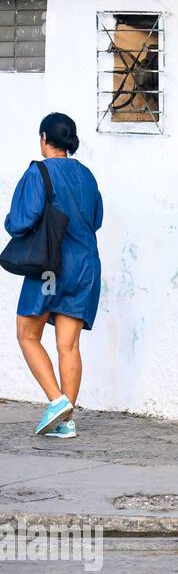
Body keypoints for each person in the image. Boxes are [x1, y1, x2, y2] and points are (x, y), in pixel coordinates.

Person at [5, 113, 102, 438]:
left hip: (52, 265)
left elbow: (21, 221)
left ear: (44, 137)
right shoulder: (87, 176)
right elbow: (96, 218)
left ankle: (57, 400)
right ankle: (67, 422)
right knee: (69, 345)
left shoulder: (39, 171)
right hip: (86, 266)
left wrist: (12, 221)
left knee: (28, 334)